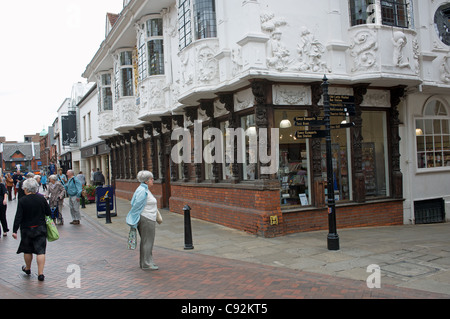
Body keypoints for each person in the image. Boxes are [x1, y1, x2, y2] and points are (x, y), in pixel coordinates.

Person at [12, 178, 51, 281]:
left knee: (27, 250)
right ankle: (40, 274)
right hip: (40, 227)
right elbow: (48, 212)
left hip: (26, 229)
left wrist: (14, 230)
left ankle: (28, 268)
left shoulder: (22, 201)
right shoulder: (41, 199)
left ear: (26, 189)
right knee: (40, 251)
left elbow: (18, 216)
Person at [126, 171, 159, 270]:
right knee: (148, 241)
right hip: (147, 218)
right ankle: (147, 263)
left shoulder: (143, 189)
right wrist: (136, 216)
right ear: (146, 181)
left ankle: (144, 262)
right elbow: (135, 205)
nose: (153, 180)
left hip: (147, 217)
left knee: (145, 241)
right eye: (151, 179)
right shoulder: (142, 191)